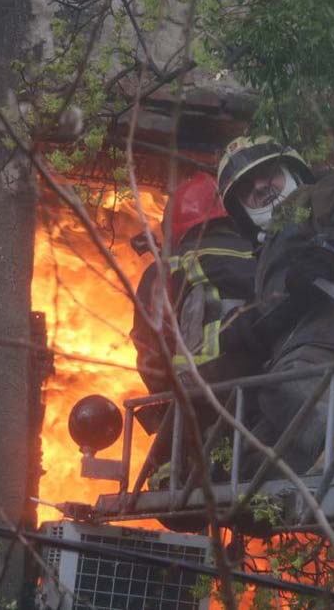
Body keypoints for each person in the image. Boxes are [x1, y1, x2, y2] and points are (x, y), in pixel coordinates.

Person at [216, 136, 334, 473]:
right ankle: (265, 500)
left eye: (269, 174)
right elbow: (284, 303)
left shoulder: (327, 193)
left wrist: (330, 249)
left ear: (292, 170)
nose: (261, 187)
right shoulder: (267, 255)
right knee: (248, 451)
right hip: (316, 364)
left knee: (282, 381)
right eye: (248, 187)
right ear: (242, 209)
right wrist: (248, 326)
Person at [130, 172, 261, 483]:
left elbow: (153, 354)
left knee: (174, 476)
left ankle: (171, 465)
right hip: (263, 404)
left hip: (199, 399)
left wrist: (162, 424)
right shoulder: (262, 258)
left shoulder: (166, 269)